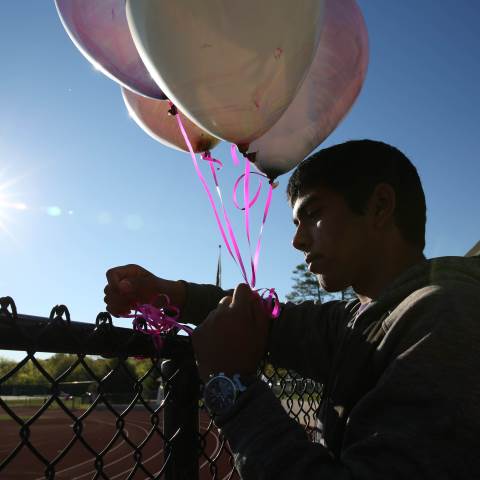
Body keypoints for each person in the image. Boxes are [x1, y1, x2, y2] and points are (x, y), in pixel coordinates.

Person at [104, 140, 480, 479]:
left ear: (379, 206)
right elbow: (271, 320)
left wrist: (232, 386)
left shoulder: (447, 314)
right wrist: (167, 294)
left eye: (313, 213)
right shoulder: (365, 315)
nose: (298, 240)